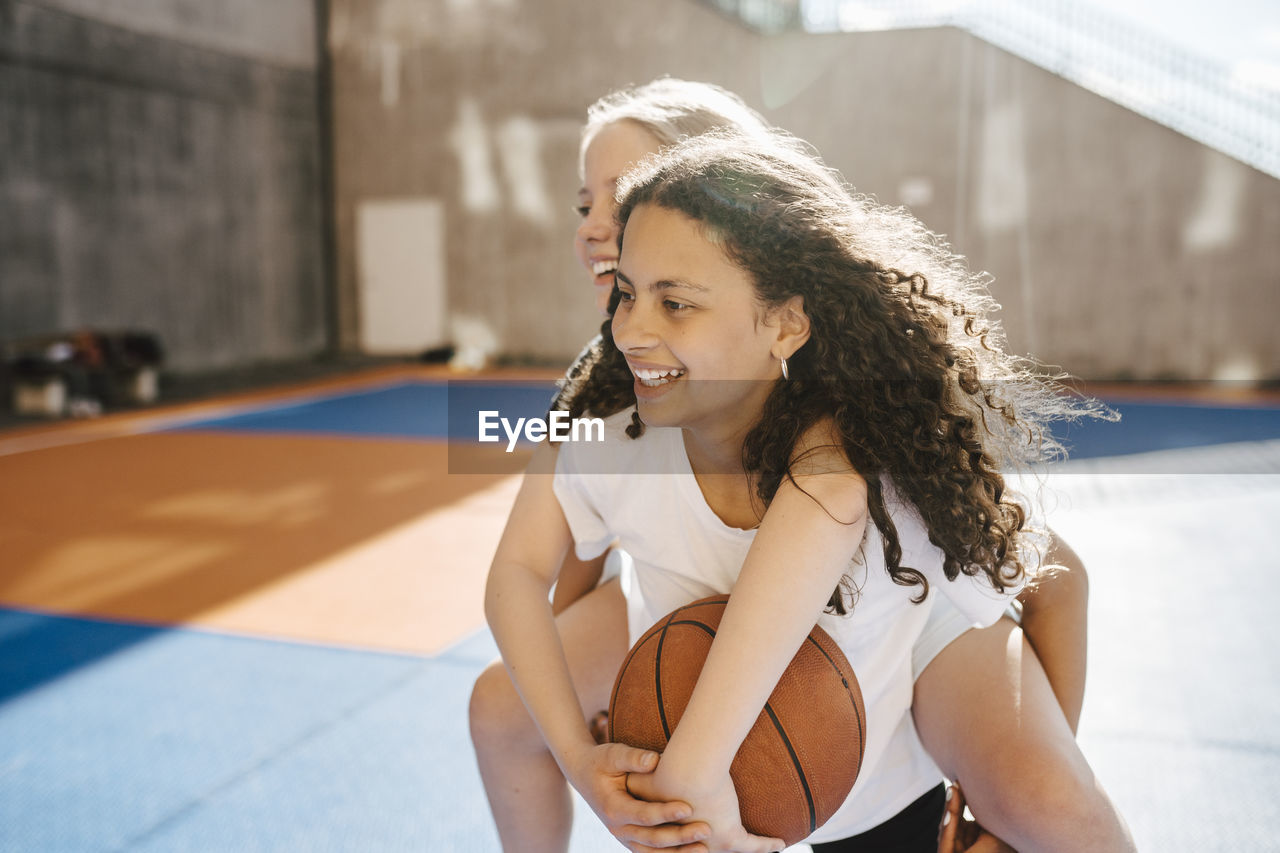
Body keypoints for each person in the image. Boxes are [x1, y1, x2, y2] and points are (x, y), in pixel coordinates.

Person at [471, 82, 1134, 853]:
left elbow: (1051, 570)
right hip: (701, 605)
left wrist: (1008, 808)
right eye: (586, 203)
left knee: (1049, 806)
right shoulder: (612, 395)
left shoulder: (845, 433)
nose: (597, 226)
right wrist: (584, 748)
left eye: (620, 197)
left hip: (885, 630)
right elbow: (547, 569)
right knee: (502, 707)